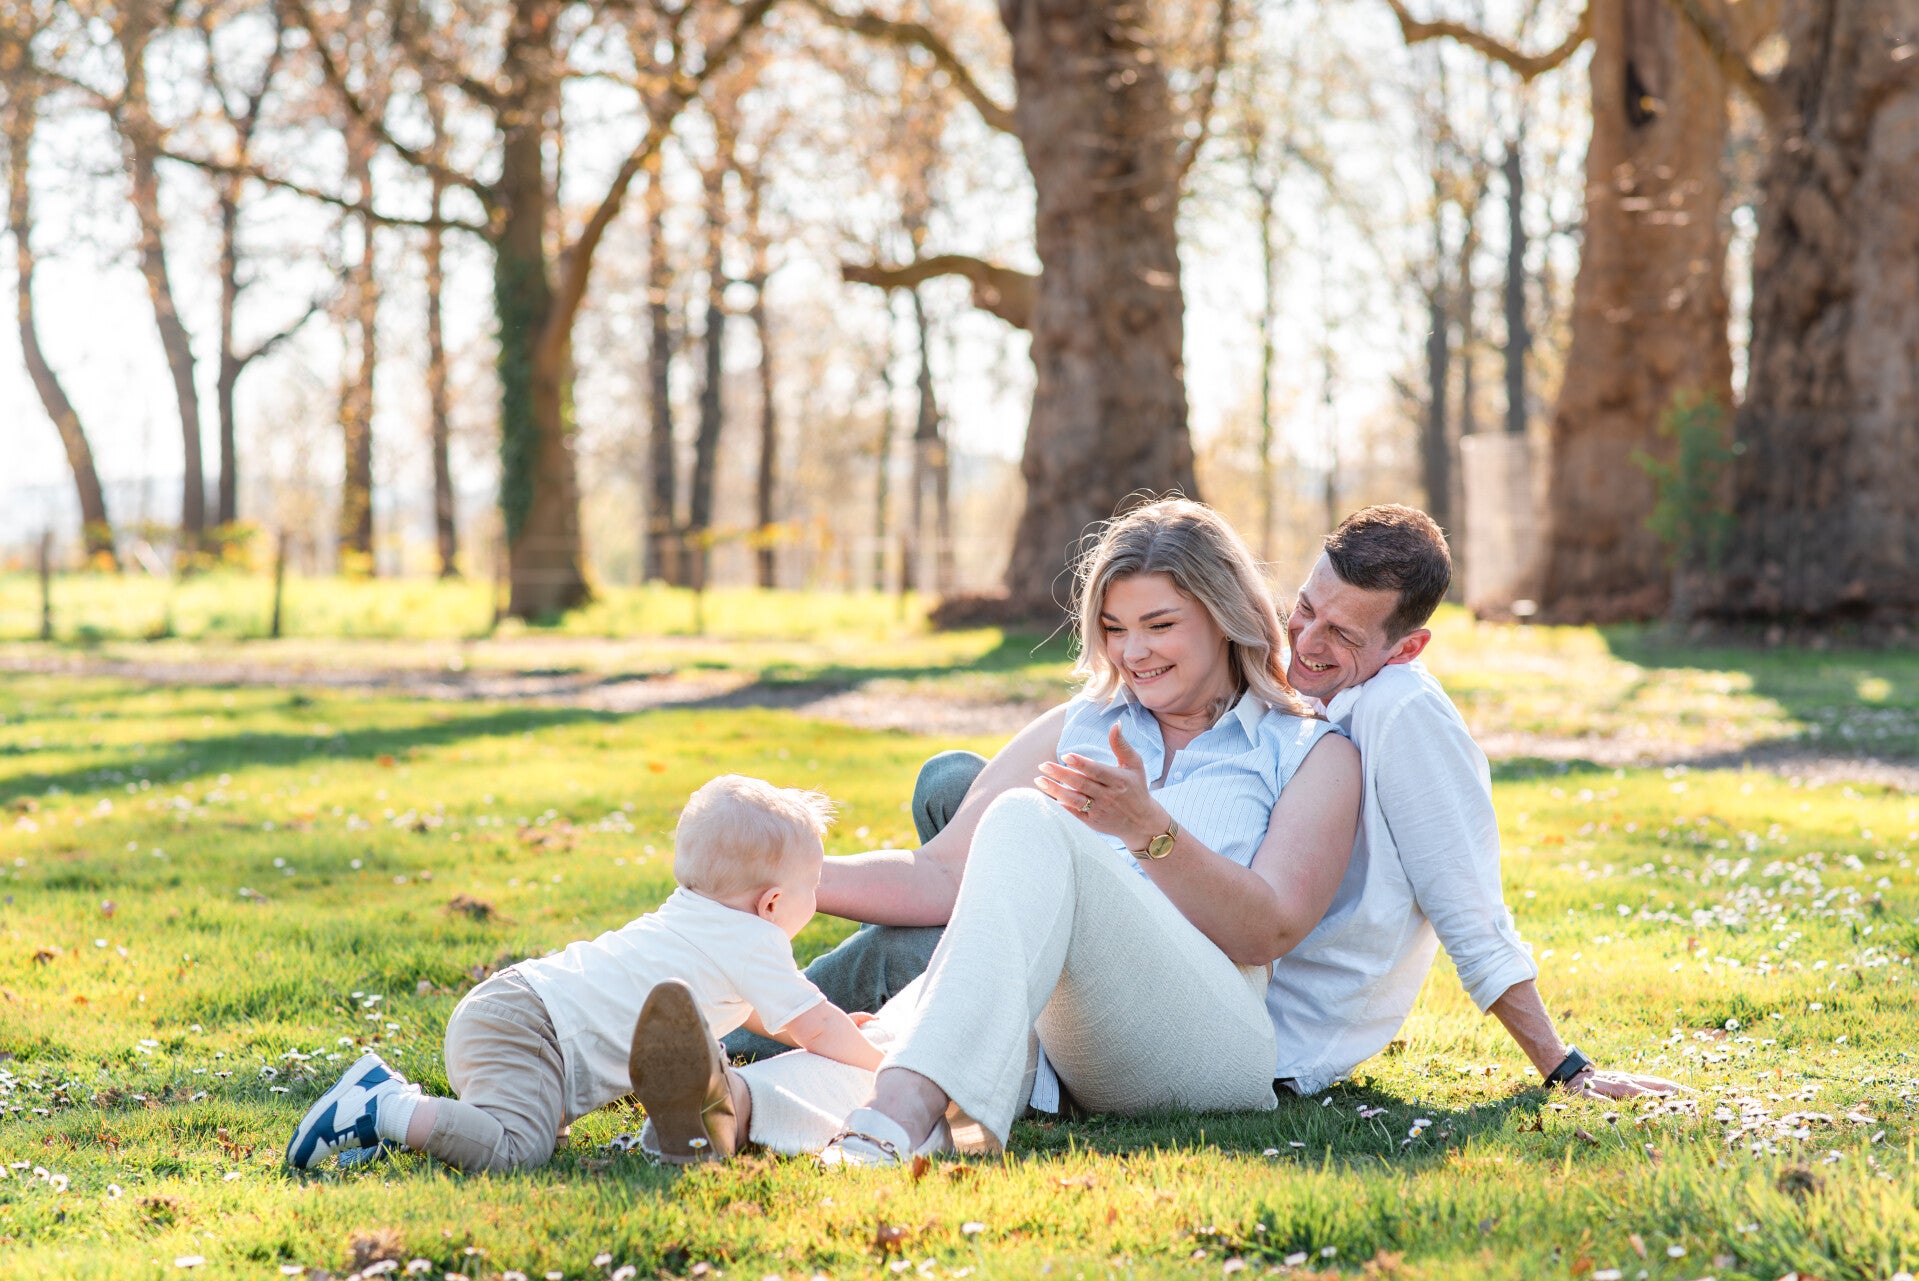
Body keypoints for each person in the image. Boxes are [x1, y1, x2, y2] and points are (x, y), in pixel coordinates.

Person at [729, 502, 1679, 1109]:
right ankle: (723, 1058)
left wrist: (1559, 1063)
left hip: (1244, 1013)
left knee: (990, 870)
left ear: (1404, 647)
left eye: (1340, 633)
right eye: (1302, 606)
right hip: (1102, 956)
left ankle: (747, 1042)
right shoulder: (1125, 709)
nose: (1304, 642)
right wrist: (772, 875)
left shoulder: (1361, 726)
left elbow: (1439, 903)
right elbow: (940, 872)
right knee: (954, 800)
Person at [648, 497, 1365, 1164]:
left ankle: (898, 1114)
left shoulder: (1308, 750)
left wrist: (1149, 831)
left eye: (1159, 624)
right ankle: (732, 1106)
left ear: (1222, 614)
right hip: (1069, 1033)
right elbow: (939, 876)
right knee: (933, 1018)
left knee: (1026, 820)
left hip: (1209, 1039)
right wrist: (766, 878)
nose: (1132, 652)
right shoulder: (1082, 723)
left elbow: (1267, 929)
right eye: (1114, 628)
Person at [284, 775, 883, 1173]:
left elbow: (761, 1013)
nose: (818, 897)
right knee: (517, 1153)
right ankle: (379, 1107)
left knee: (532, 1133)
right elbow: (820, 1029)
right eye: (816, 886)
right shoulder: (756, 940)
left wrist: (820, 1028)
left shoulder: (699, 916)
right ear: (774, 902)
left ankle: (393, 1127)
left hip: (514, 1011)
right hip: (529, 1032)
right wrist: (881, 1062)